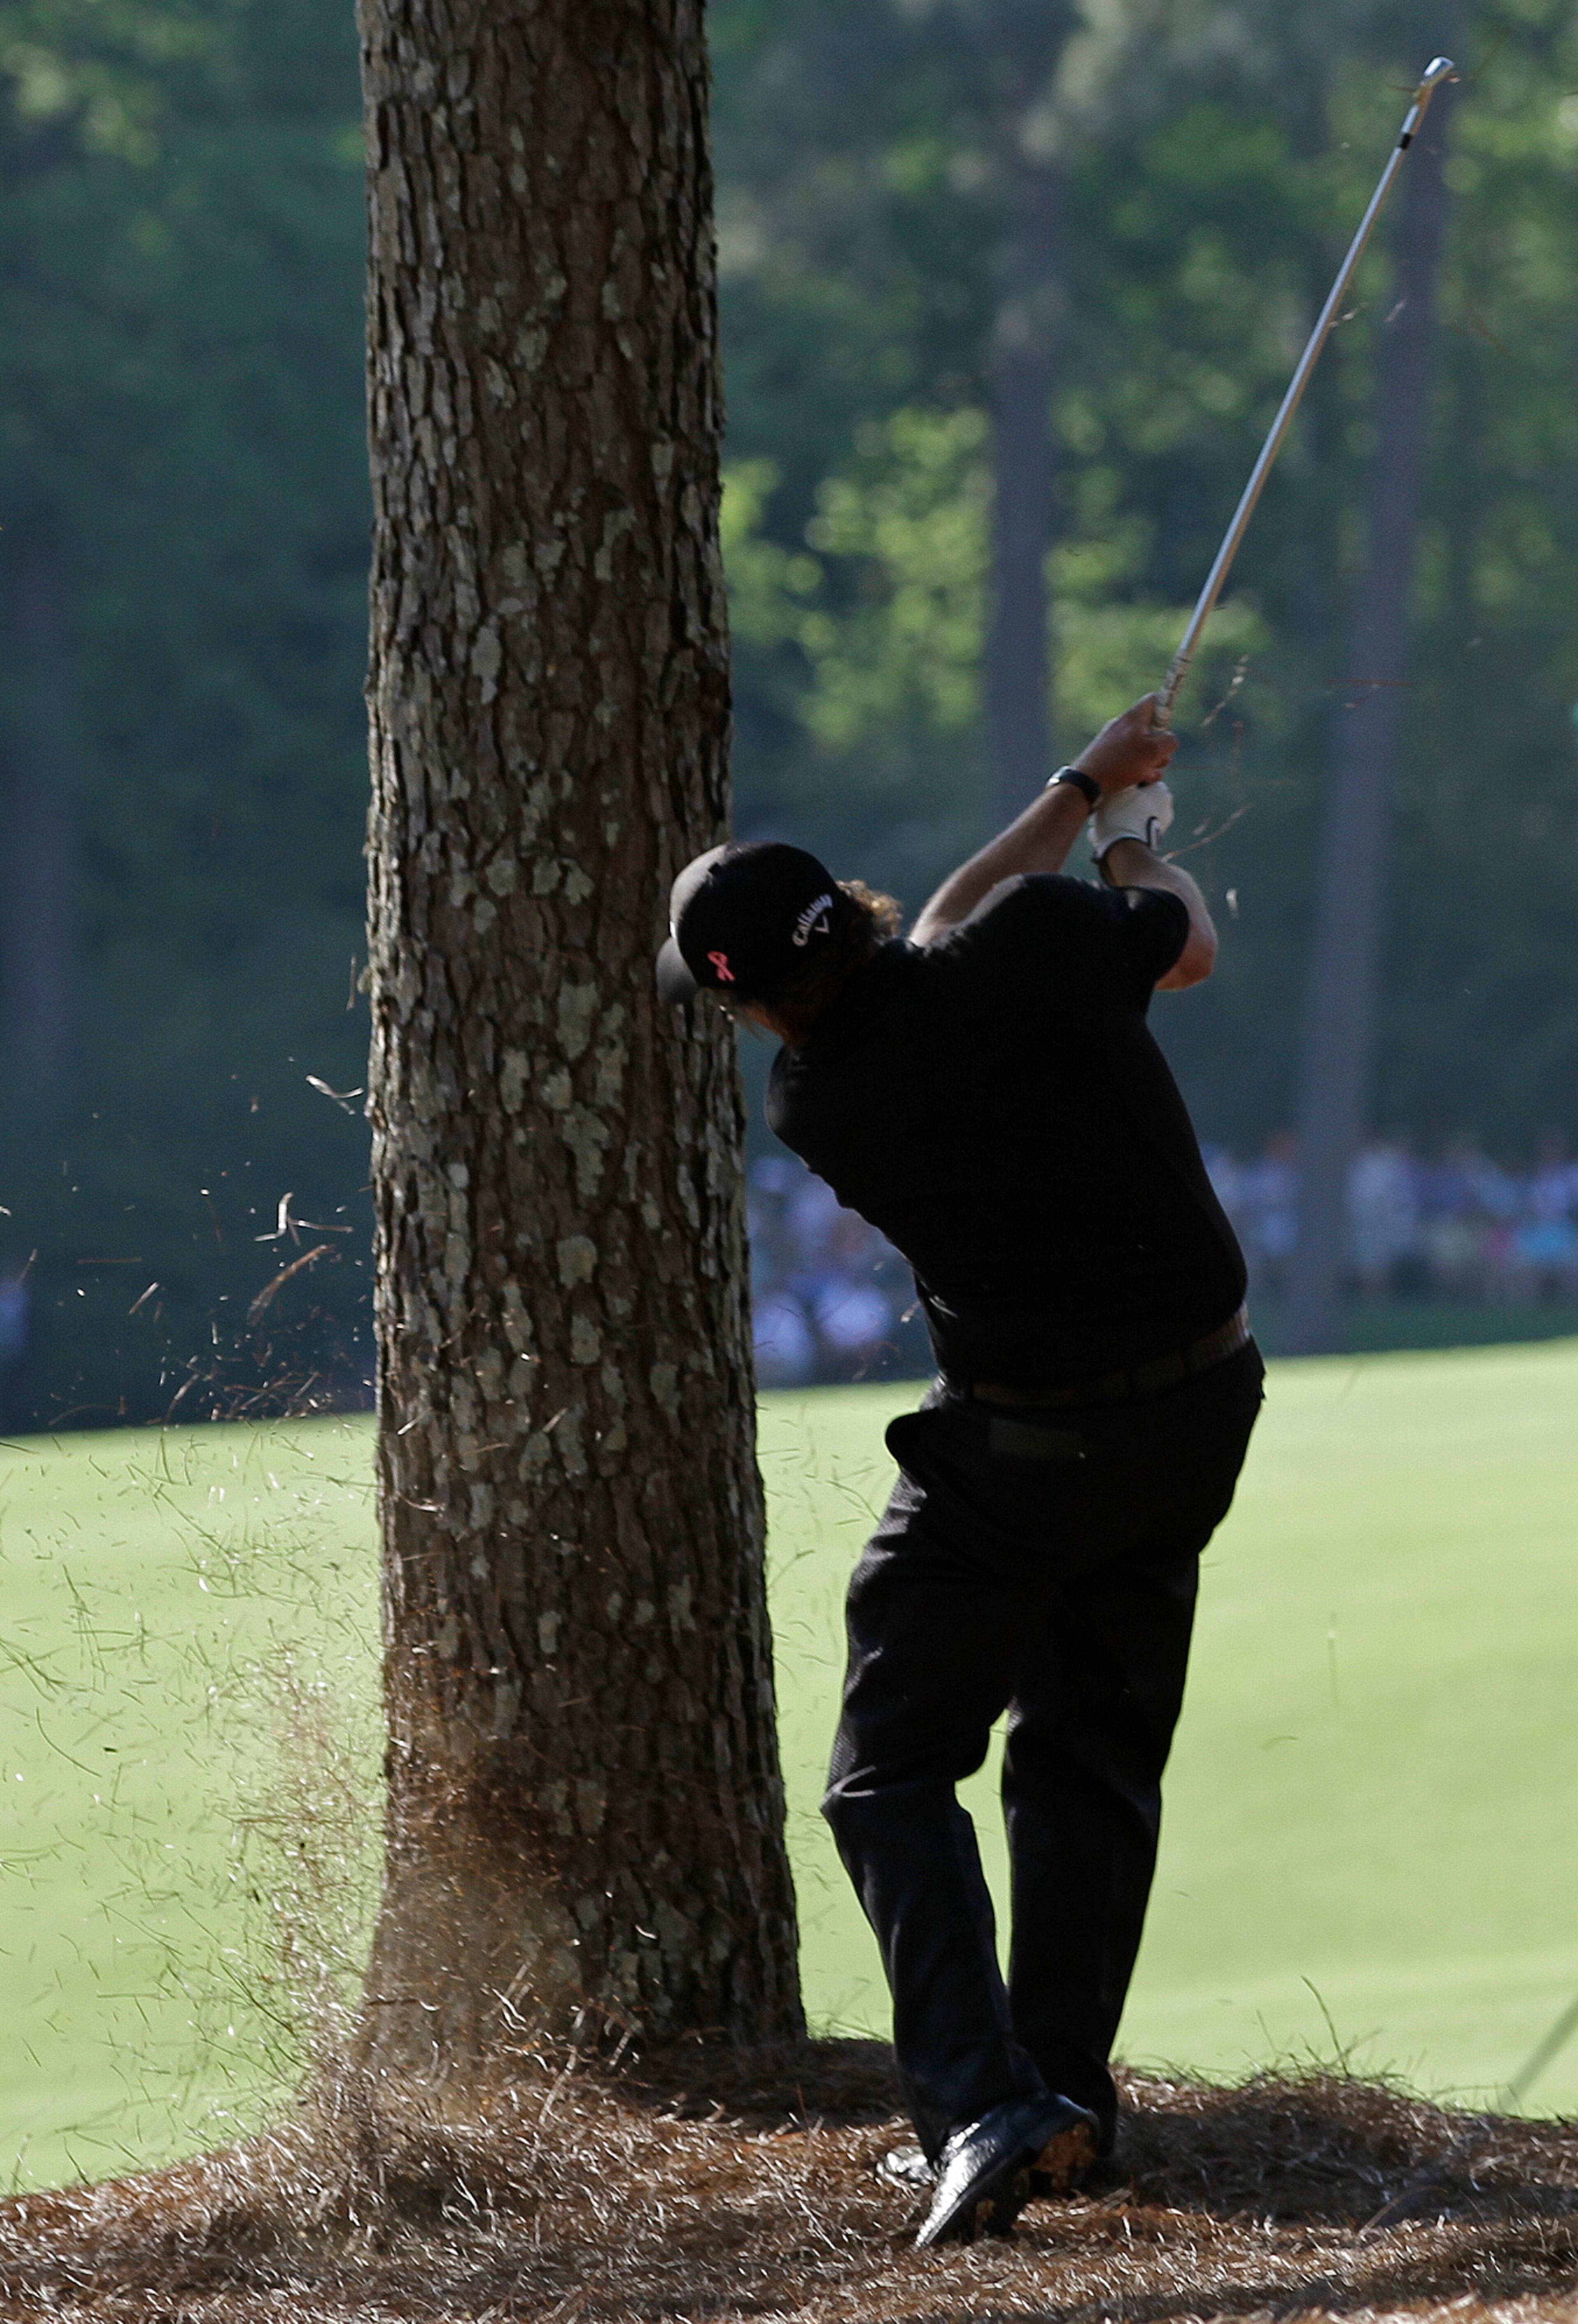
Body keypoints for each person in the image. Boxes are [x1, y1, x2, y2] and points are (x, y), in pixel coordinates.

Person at [656, 695, 1262, 2248]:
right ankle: (1060, 2094)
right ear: (844, 906)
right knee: (1091, 1752)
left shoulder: (817, 1099)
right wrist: (1130, 840)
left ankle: (983, 2106)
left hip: (1018, 1449)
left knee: (887, 1770)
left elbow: (942, 947)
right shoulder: (1051, 946)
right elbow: (1182, 944)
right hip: (1197, 1406)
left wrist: (1077, 788)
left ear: (755, 1007)